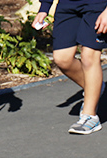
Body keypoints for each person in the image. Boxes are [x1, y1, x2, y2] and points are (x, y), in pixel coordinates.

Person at [33, 0, 107, 135]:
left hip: (99, 5)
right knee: (62, 59)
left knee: (89, 57)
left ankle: (90, 115)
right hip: (68, 5)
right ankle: (96, 88)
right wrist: (44, 8)